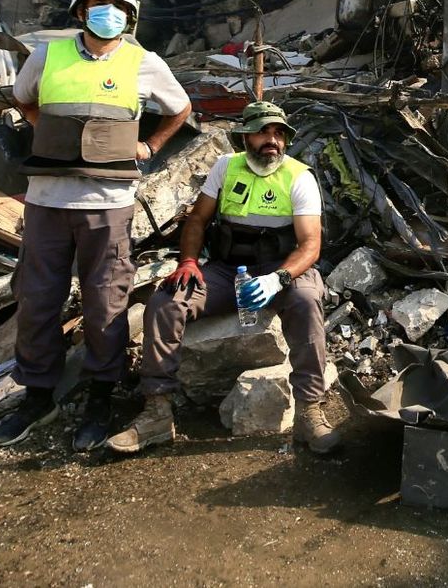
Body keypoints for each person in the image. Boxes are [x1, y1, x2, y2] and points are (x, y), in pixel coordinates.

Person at [0, 0, 192, 451]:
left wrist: (150, 145)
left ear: (130, 17)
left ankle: (100, 398)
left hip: (109, 205)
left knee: (106, 304)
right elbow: (23, 98)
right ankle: (38, 397)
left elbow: (180, 108)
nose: (108, 12)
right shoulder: (48, 54)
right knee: (37, 300)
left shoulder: (144, 62)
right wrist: (52, 136)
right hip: (47, 201)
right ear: (80, 11)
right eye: (98, 3)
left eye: (117, 6)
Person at [106, 100, 339, 455]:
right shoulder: (225, 168)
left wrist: (278, 278)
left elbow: (310, 245)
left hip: (281, 268)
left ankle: (309, 411)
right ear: (245, 136)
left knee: (307, 300)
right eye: (263, 131)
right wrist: (187, 262)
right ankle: (156, 412)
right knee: (166, 302)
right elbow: (197, 220)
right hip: (227, 269)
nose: (272, 140)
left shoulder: (298, 176)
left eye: (278, 133)